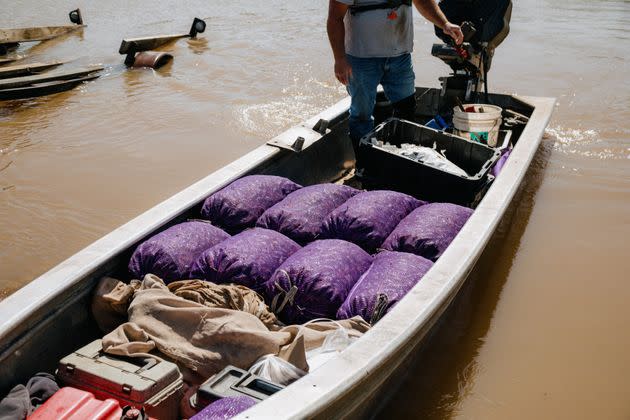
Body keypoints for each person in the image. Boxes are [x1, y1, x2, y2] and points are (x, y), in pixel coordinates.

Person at [327, 0, 463, 146]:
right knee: (361, 115)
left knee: (406, 108)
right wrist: (339, 58)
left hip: (400, 56)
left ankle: (400, 155)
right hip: (361, 59)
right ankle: (363, 162)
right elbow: (334, 18)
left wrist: (444, 23)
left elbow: (423, 2)